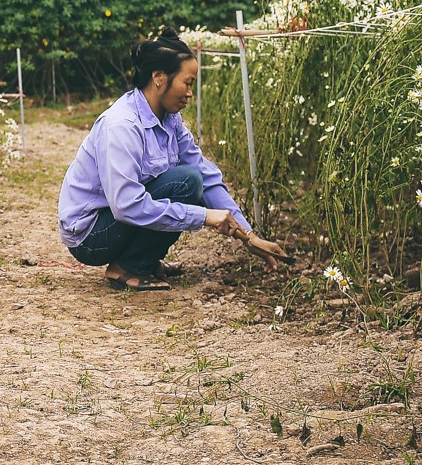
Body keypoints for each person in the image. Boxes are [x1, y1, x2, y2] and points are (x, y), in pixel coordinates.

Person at [59, 27, 291, 290]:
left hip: (114, 220)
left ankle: (141, 260)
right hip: (90, 235)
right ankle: (127, 267)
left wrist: (248, 235)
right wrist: (203, 216)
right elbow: (126, 204)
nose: (190, 93)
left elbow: (205, 173)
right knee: (185, 183)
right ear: (158, 77)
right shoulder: (122, 125)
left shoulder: (170, 120)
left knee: (191, 180)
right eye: (188, 83)